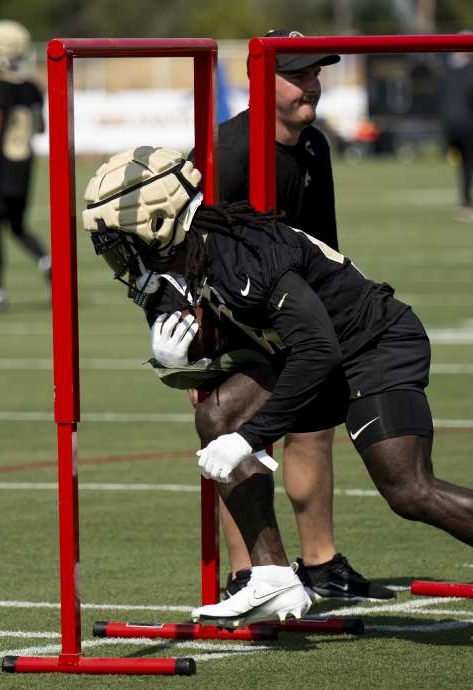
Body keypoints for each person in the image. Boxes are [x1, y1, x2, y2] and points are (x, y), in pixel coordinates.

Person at [82, 146, 473, 656]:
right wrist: (176, 362)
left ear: (157, 220)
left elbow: (317, 349)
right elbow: (238, 347)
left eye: (121, 240)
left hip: (374, 343)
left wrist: (251, 436)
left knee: (408, 488)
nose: (118, 256)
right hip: (316, 353)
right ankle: (272, 576)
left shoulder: (239, 255)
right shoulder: (193, 254)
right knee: (216, 413)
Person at [152, 29, 393, 603]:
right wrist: (200, 349)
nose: (313, 85)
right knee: (228, 427)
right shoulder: (227, 152)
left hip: (300, 309)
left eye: (317, 75)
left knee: (313, 430)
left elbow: (323, 237)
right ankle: (247, 572)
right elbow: (188, 247)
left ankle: (322, 563)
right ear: (263, 84)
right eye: (299, 75)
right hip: (238, 316)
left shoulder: (315, 145)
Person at [0, 19, 50, 314]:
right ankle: (47, 262)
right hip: (25, 168)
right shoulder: (32, 88)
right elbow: (40, 128)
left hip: (1, 170)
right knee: (17, 227)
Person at [437, 47, 473, 222]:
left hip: (449, 123)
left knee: (463, 161)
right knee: (470, 161)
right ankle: (466, 201)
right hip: (464, 123)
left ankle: (466, 200)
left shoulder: (447, 69)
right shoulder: (472, 71)